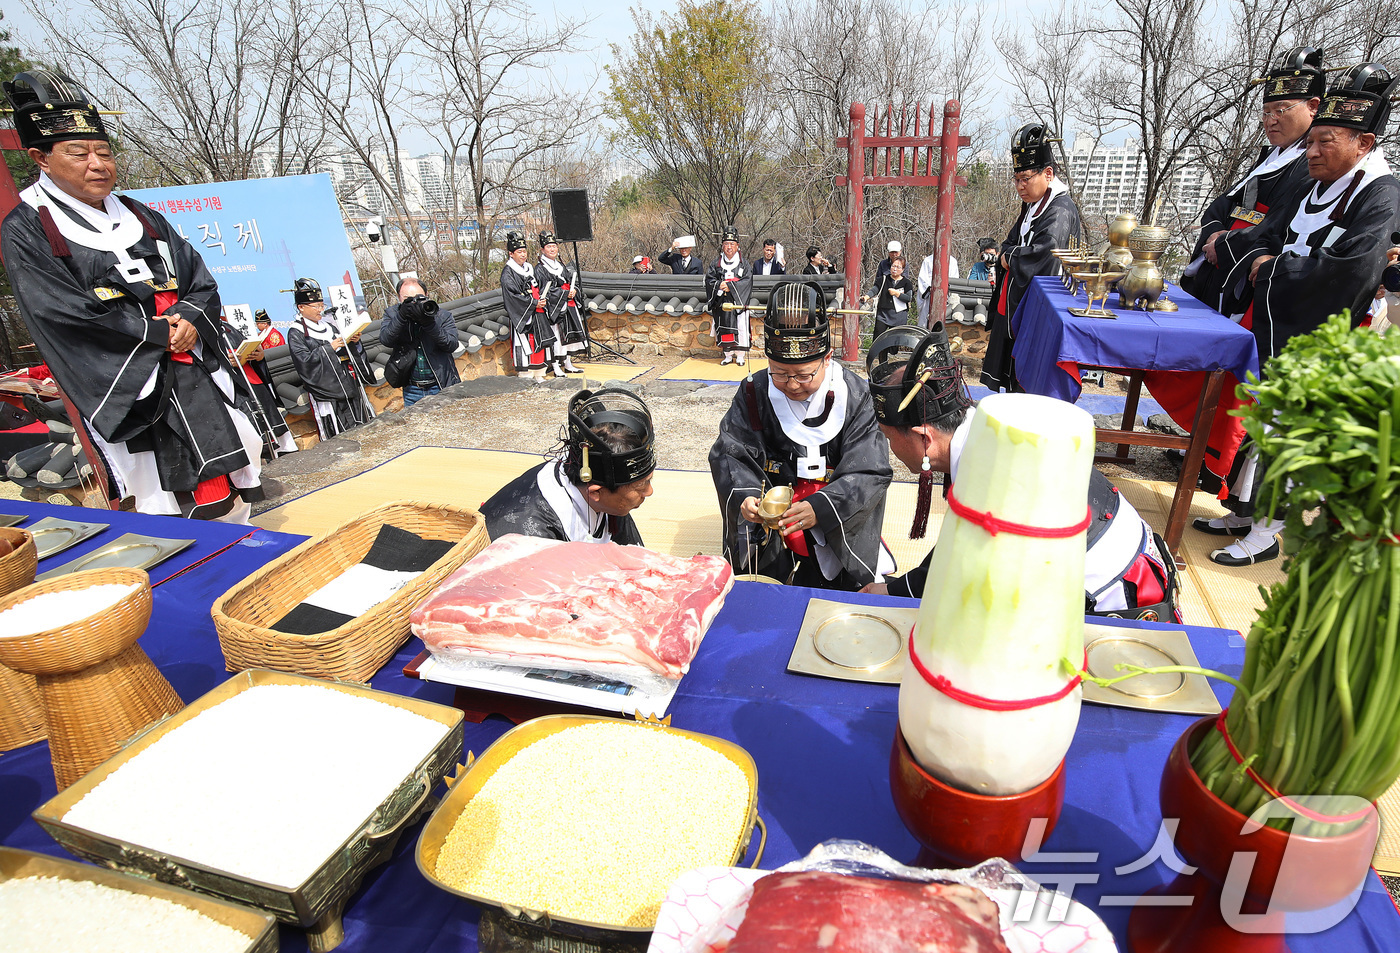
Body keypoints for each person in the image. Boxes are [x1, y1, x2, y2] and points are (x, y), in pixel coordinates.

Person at [0, 69, 264, 521]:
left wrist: (187, 321)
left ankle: (240, 545)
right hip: (130, 378)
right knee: (156, 488)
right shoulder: (27, 228)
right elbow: (59, 311)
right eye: (78, 153)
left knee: (236, 456)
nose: (97, 164)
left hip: (190, 362)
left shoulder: (141, 215)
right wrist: (156, 334)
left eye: (104, 152)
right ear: (40, 158)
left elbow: (198, 278)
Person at [1200, 62, 1400, 567]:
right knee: (1261, 422)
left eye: (1325, 142)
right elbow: (1266, 235)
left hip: (1327, 337)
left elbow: (1351, 272)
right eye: (1311, 142)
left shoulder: (1381, 195)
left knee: (1290, 432)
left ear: (1365, 143)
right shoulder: (1315, 182)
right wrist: (1236, 249)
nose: (1310, 152)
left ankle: (1271, 530)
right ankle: (1244, 512)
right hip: (1282, 324)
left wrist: (1270, 271)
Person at [861, 325, 1178, 620]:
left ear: (924, 437)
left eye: (890, 438)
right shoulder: (985, 425)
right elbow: (957, 549)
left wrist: (891, 592)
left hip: (1115, 604)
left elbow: (958, 569)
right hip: (1132, 559)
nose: (891, 448)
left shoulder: (986, 471)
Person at [709, 280, 893, 590]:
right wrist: (746, 495)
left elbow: (869, 469)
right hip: (774, 518)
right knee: (761, 592)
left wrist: (822, 507)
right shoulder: (755, 392)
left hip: (836, 515)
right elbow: (730, 451)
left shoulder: (857, 396)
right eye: (780, 373)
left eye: (804, 375)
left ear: (827, 357)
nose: (792, 384)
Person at [1182, 47, 1324, 313]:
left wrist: (1226, 243)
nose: (1270, 121)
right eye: (1266, 112)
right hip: (1219, 262)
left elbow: (1278, 224)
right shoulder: (1269, 158)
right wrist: (1214, 233)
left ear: (1313, 107)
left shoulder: (1311, 166)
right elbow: (1222, 205)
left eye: (1280, 111)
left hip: (1249, 274)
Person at [481, 388, 655, 545]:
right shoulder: (530, 538)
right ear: (595, 492)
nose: (649, 492)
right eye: (641, 486)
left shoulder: (600, 479)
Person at [981, 123, 1081, 393]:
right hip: (1021, 302)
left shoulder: (1060, 209)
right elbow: (1011, 242)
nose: (1020, 186)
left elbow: (1045, 254)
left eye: (1026, 178)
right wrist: (1009, 254)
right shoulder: (1033, 205)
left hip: (1042, 309)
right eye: (1016, 180)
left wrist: (1009, 256)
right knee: (1016, 378)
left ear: (1048, 174)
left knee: (1033, 382)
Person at [286, 277, 375, 439]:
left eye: (322, 305)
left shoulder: (330, 327)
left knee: (362, 428)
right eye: (316, 306)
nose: (320, 310)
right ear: (301, 307)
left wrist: (353, 342)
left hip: (348, 384)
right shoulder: (296, 332)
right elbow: (303, 362)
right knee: (340, 434)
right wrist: (330, 348)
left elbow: (346, 352)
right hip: (327, 391)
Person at [218, 314, 296, 459]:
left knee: (271, 418)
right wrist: (224, 361)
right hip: (233, 385)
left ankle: (284, 451)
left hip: (252, 378)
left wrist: (258, 355)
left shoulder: (227, 327)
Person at [379, 276, 461, 406]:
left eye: (418, 297)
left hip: (441, 385)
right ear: (399, 298)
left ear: (427, 295)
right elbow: (386, 340)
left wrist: (429, 324)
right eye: (407, 299)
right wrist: (401, 317)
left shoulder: (441, 315)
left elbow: (451, 344)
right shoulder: (393, 314)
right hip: (412, 389)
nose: (414, 302)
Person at [499, 230, 556, 380]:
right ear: (511, 254)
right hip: (523, 315)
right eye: (519, 252)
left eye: (524, 251)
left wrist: (543, 298)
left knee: (539, 343)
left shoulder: (530, 269)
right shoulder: (508, 274)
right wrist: (533, 303)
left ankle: (539, 373)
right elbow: (513, 297)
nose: (523, 255)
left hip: (537, 311)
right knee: (525, 345)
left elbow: (540, 286)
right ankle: (525, 375)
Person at [535, 230, 587, 375]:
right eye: (549, 247)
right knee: (557, 336)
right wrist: (564, 293)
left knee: (569, 336)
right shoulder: (540, 269)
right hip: (555, 307)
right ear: (542, 249)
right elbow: (545, 290)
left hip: (567, 303)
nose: (552, 249)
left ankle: (568, 363)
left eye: (554, 246)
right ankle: (556, 365)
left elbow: (570, 281)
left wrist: (573, 290)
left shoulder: (560, 265)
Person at [706, 224, 754, 366]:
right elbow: (709, 279)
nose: (729, 247)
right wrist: (719, 285)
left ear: (737, 246)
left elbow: (747, 281)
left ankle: (740, 356)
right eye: (726, 244)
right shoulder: (716, 263)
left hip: (737, 300)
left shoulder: (743, 264)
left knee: (740, 327)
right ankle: (727, 355)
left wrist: (731, 286)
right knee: (724, 327)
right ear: (722, 246)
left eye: (732, 244)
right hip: (721, 300)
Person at [864, 254, 913, 339]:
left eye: (898, 267)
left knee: (894, 343)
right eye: (893, 266)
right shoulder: (883, 279)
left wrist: (897, 294)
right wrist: (867, 296)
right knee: (878, 339)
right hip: (883, 314)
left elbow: (908, 298)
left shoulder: (907, 282)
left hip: (899, 316)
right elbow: (875, 289)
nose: (895, 269)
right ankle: (880, 353)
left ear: (903, 270)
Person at [914, 243, 957, 328]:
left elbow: (954, 279)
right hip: (929, 296)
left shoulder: (952, 261)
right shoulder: (928, 260)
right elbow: (922, 279)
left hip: (945, 297)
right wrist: (932, 289)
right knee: (926, 323)